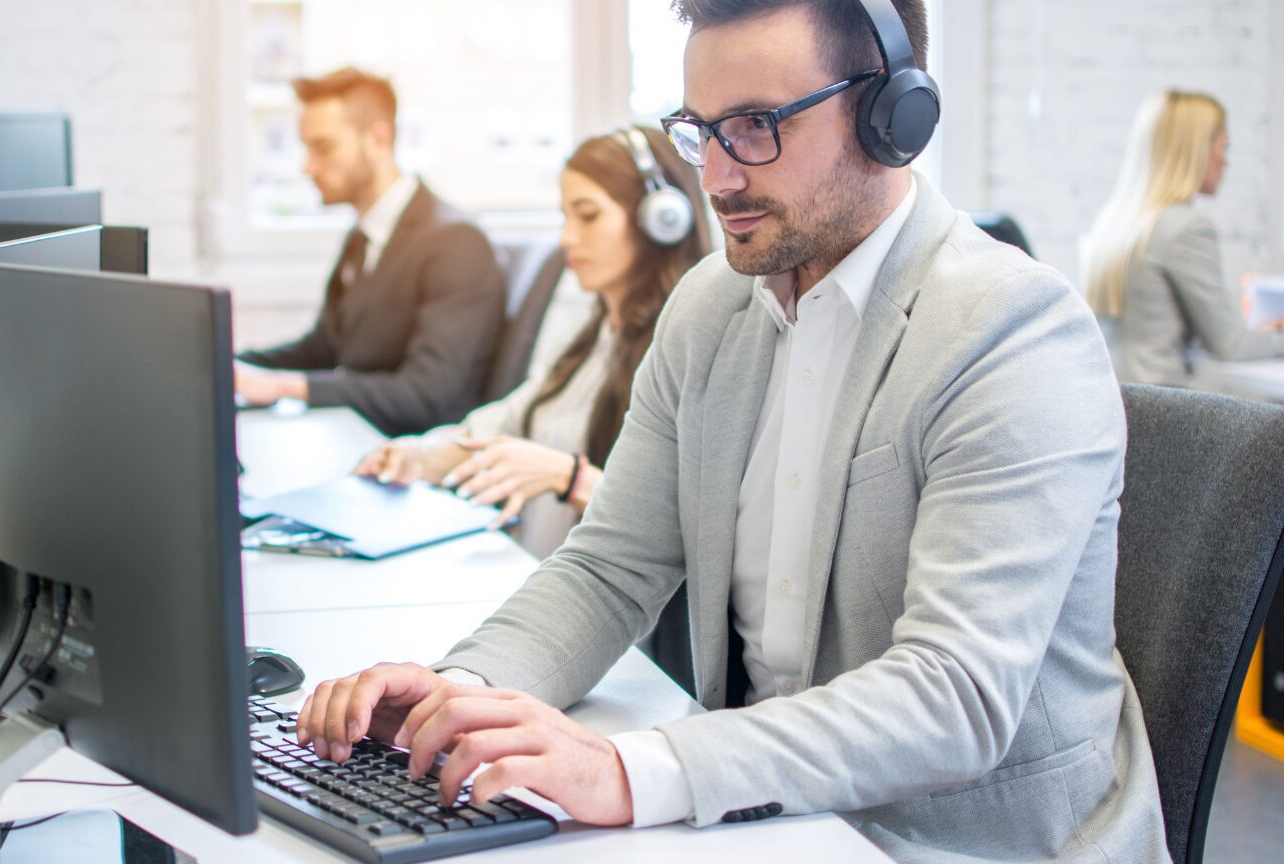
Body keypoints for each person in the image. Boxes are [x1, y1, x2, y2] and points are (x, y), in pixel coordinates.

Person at [297, 2, 1169, 862]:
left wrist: (627, 768)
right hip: (767, 811)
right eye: (699, 129)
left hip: (962, 841)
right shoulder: (712, 307)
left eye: (755, 127)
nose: (715, 178)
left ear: (892, 116)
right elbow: (611, 566)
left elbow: (954, 698)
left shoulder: (1010, 329)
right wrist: (462, 693)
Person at [354, 126, 712, 558]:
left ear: (660, 221)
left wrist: (569, 478)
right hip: (532, 579)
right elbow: (505, 424)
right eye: (565, 217)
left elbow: (682, 531)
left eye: (588, 215)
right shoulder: (591, 340)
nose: (567, 239)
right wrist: (419, 456)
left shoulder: (686, 352)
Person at [234, 68, 506, 436]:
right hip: (356, 437)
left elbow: (427, 396)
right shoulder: (362, 237)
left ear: (378, 140)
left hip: (409, 457)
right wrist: (230, 364)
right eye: (306, 148)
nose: (308, 166)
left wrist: (284, 386)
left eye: (323, 147)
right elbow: (324, 346)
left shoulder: (456, 242)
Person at [1085, 89, 1284, 386]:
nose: (1225, 161)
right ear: (1195, 150)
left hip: (1119, 404)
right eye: (1223, 147)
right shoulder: (1185, 228)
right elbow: (1229, 344)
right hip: (1166, 412)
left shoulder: (1114, 224)